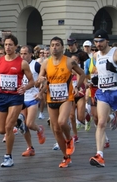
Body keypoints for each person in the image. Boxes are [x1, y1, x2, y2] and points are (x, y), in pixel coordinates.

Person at [36, 36, 85, 168]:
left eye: (57, 45)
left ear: (62, 47)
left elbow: (82, 74)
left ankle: (69, 139)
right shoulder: (46, 63)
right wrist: (40, 80)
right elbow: (41, 76)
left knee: (62, 122)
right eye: (52, 45)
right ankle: (66, 157)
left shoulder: (69, 62)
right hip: (51, 98)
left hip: (66, 98)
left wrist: (77, 86)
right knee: (56, 130)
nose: (54, 47)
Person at [0, 35, 35, 167]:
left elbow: (32, 81)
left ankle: (8, 157)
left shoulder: (22, 63)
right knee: (1, 130)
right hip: (2, 96)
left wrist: (25, 87)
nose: (8, 47)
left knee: (9, 127)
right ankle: (19, 121)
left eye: (10, 45)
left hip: (16, 97)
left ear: (15, 46)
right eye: (6, 45)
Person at [89, 29, 117, 167]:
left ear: (107, 41)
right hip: (103, 93)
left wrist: (116, 70)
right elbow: (93, 71)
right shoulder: (95, 56)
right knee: (101, 123)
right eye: (96, 42)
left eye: (101, 41)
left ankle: (116, 117)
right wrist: (94, 79)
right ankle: (99, 155)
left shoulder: (116, 54)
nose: (98, 44)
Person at [19, 45, 46, 157]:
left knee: (30, 124)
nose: (23, 56)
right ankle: (30, 148)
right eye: (21, 53)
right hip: (21, 98)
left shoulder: (36, 65)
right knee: (22, 125)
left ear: (30, 54)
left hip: (33, 98)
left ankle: (39, 129)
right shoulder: (18, 65)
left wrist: (41, 92)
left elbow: (46, 78)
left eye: (25, 53)